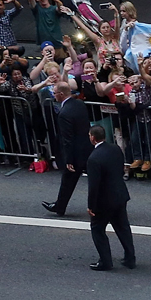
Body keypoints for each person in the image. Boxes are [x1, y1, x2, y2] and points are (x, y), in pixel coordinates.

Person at [86, 124, 136, 271]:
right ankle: (130, 258)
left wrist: (91, 205)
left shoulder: (93, 158)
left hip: (104, 201)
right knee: (123, 228)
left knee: (97, 229)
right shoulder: (115, 149)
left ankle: (105, 261)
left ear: (93, 138)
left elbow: (94, 185)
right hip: (120, 195)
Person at [43, 81, 91, 217]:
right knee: (91, 180)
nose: (53, 95)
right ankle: (60, 206)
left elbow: (67, 139)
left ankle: (60, 206)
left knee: (68, 180)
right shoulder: (79, 104)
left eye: (55, 93)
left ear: (62, 94)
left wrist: (68, 159)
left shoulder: (64, 113)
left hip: (75, 153)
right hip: (86, 148)